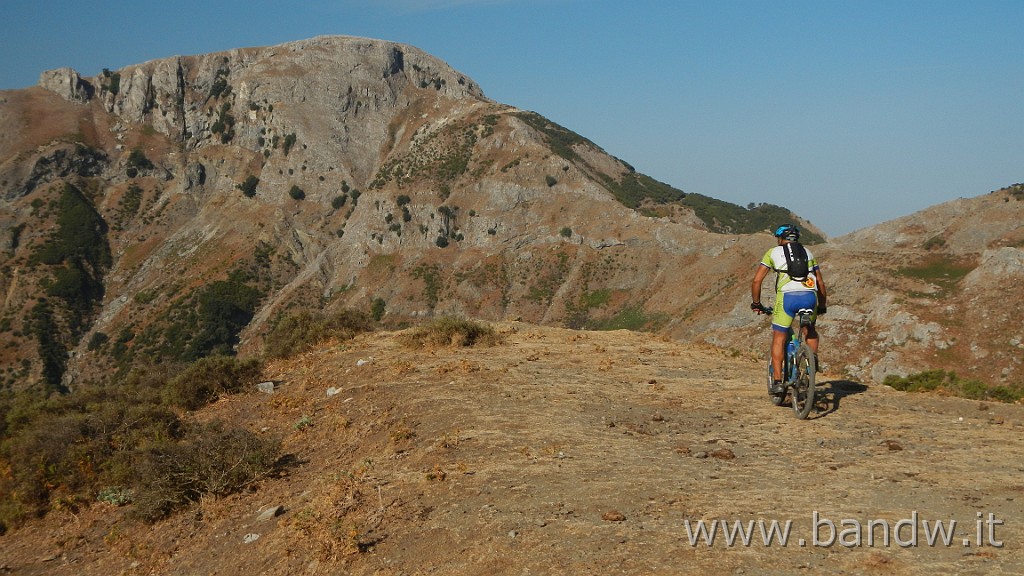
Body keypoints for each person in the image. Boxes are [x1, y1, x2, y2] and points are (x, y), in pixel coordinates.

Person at [750, 225, 827, 394]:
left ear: (779, 239)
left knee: (779, 337)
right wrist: (821, 305)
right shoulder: (807, 252)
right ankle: (810, 363)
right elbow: (820, 282)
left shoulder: (773, 252)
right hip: (809, 296)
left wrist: (756, 303)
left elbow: (757, 281)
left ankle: (778, 382)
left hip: (787, 298)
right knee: (810, 330)